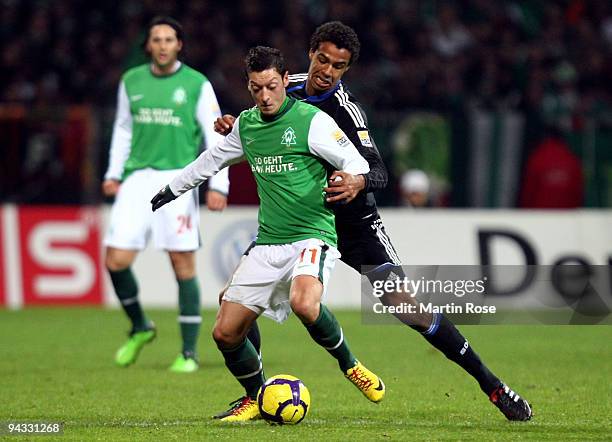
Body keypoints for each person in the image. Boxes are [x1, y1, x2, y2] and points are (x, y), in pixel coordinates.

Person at [214, 21, 532, 421]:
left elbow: (381, 171)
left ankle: (494, 386)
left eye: (339, 66)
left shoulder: (347, 111)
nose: (328, 71)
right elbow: (253, 123)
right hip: (299, 222)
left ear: (348, 69)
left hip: (354, 224)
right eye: (323, 59)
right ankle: (255, 395)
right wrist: (231, 124)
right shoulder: (281, 86)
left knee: (404, 305)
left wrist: (358, 180)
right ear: (311, 53)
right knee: (232, 302)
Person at [151, 46, 385, 422]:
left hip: (312, 235)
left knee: (305, 304)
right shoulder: (247, 125)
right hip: (268, 242)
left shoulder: (312, 121)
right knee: (225, 334)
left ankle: (350, 365)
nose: (265, 96)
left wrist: (351, 178)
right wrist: (172, 189)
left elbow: (355, 159)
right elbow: (210, 160)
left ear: (284, 79)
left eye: (272, 86)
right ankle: (256, 397)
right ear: (249, 86)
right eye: (256, 88)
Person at [102, 16, 229, 373]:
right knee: (115, 261)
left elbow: (216, 135)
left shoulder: (196, 84)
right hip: (136, 178)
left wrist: (219, 185)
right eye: (156, 39)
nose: (161, 45)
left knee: (181, 264)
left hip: (178, 179)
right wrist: (114, 173)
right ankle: (141, 326)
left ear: (179, 45)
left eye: (168, 39)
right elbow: (123, 129)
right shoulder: (132, 81)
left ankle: (188, 353)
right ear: (148, 45)